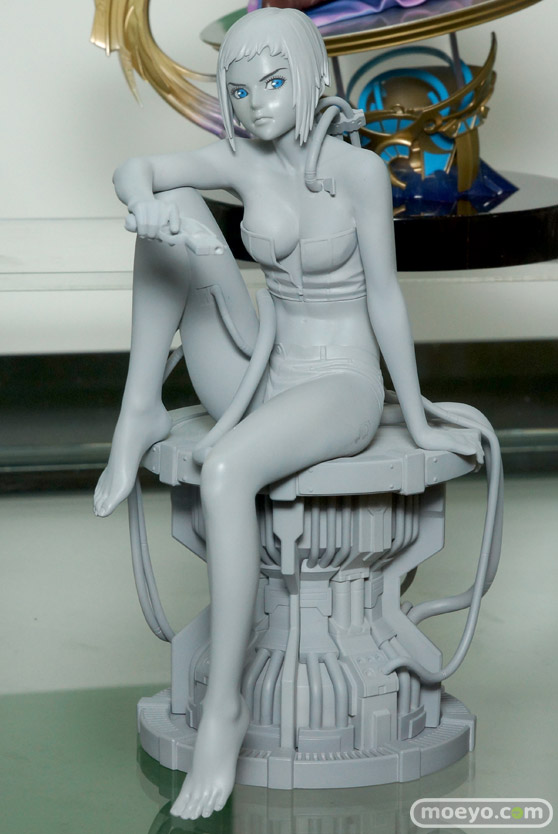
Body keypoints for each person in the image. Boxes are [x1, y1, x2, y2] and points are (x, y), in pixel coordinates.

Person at [94, 7, 480, 820]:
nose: (258, 104)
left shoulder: (358, 172)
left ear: (307, 77)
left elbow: (385, 298)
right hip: (257, 367)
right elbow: (136, 168)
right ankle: (140, 409)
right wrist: (144, 204)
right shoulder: (240, 159)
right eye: (241, 91)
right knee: (175, 212)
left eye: (273, 83)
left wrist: (414, 414)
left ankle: (225, 711)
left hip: (338, 382)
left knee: (227, 470)